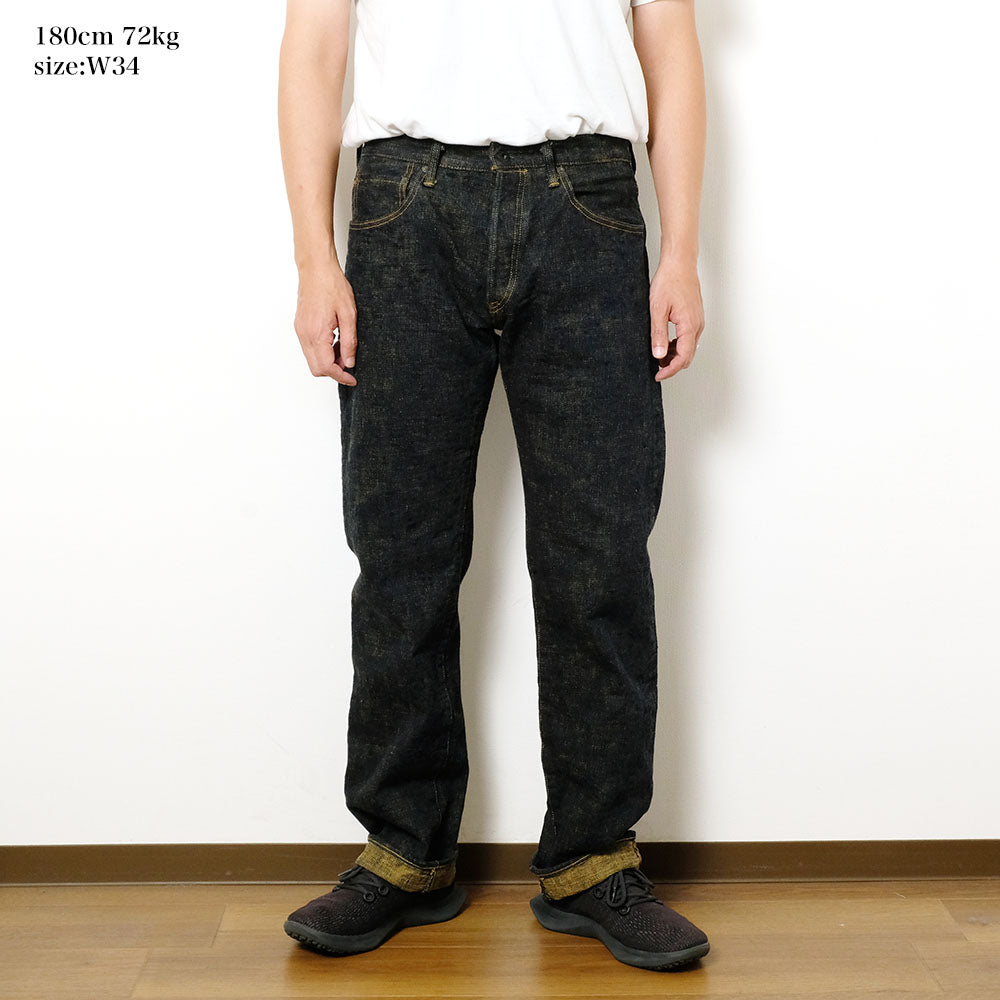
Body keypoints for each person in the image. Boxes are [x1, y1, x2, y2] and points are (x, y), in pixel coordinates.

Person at [276, 0, 708, 972]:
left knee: (599, 556)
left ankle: (594, 858)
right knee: (401, 555)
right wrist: (313, 259)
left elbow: (670, 45)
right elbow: (314, 46)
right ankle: (404, 849)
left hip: (590, 203)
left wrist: (681, 250)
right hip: (402, 205)